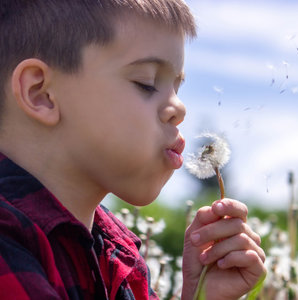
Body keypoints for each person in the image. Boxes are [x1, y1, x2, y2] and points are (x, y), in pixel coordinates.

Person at [0, 1, 266, 299]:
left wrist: (203, 294)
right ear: (41, 93)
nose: (179, 108)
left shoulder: (118, 256)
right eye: (147, 83)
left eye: (177, 87)